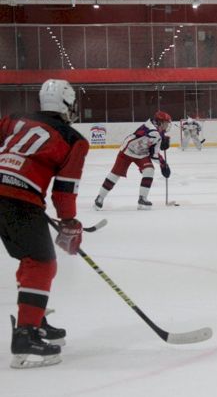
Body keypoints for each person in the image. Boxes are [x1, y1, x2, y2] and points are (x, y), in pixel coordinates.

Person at [0, 79, 89, 368]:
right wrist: (69, 221)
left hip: (10, 196)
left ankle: (35, 319)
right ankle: (25, 336)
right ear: (67, 104)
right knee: (41, 263)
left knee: (30, 258)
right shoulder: (73, 139)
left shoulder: (14, 119)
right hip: (20, 200)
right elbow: (64, 190)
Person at [94, 111, 172, 210]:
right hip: (127, 151)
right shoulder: (149, 127)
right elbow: (146, 132)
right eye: (165, 123)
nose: (167, 126)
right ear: (159, 122)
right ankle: (100, 197)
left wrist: (163, 164)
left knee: (149, 170)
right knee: (115, 174)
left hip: (142, 154)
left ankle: (142, 198)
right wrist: (161, 138)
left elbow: (154, 153)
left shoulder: (159, 134)